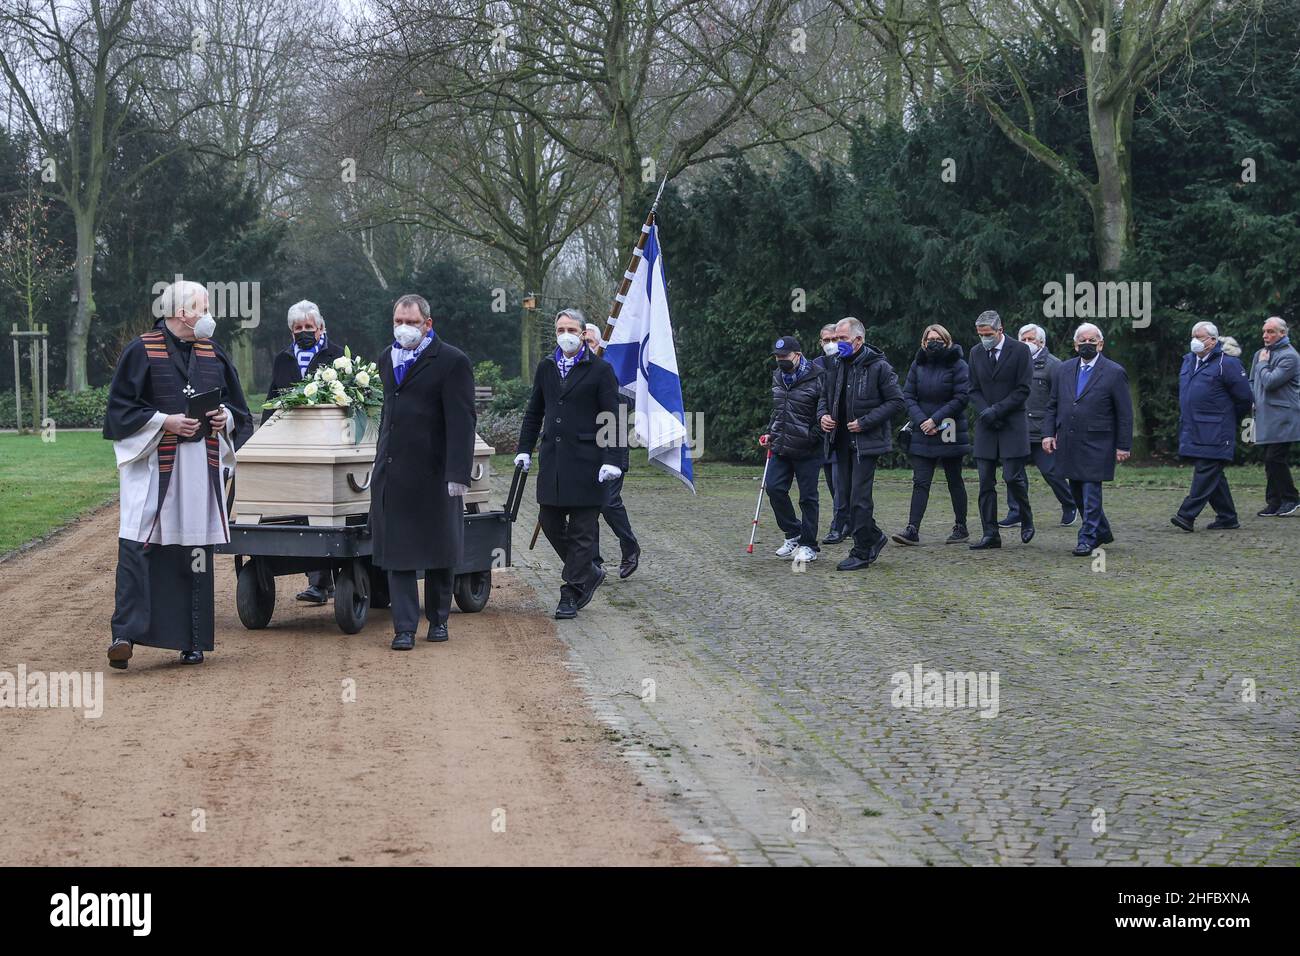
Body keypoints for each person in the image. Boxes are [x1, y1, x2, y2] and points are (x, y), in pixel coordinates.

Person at [103, 279, 254, 669]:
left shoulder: (212, 352)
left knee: (195, 552)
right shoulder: (141, 350)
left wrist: (227, 419)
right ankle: (125, 634)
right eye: (202, 308)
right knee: (139, 544)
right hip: (153, 466)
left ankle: (192, 639)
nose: (208, 316)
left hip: (198, 470)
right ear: (179, 312)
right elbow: (119, 410)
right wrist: (164, 421)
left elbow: (239, 409)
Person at [369, 293, 476, 650]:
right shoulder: (387, 358)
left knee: (438, 547)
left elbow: (462, 421)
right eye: (399, 322)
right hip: (394, 470)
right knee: (397, 550)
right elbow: (389, 414)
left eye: (411, 322)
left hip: (435, 471)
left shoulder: (451, 361)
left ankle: (439, 617)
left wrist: (458, 473)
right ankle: (403, 627)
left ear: (428, 324)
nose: (404, 329)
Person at [515, 309, 621, 618]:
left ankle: (572, 591)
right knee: (549, 522)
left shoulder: (600, 370)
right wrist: (524, 448)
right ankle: (588, 570)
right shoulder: (547, 367)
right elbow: (535, 411)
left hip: (588, 464)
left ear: (584, 333)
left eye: (571, 328)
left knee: (581, 530)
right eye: (560, 328)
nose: (566, 334)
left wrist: (612, 459)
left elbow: (612, 417)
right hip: (553, 462)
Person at [262, 299, 346, 604]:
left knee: (328, 510)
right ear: (291, 331)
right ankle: (318, 581)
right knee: (303, 511)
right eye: (298, 328)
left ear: (321, 327)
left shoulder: (337, 356)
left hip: (329, 444)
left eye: (309, 327)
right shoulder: (283, 359)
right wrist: (263, 437)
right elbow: (273, 397)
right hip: (295, 444)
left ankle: (335, 577)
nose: (304, 332)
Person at [816, 316, 905, 570]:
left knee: (859, 499)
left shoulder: (879, 367)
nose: (837, 343)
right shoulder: (835, 364)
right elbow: (824, 396)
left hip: (866, 443)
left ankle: (861, 551)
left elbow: (896, 402)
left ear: (858, 340)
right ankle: (874, 536)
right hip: (839, 441)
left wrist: (866, 422)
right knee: (844, 499)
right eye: (835, 338)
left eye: (842, 338)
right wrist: (822, 416)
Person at [1041, 324, 1133, 555]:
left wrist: (1123, 445)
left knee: (1092, 490)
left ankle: (1087, 538)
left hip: (1099, 441)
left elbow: (1124, 412)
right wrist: (1048, 433)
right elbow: (1052, 404)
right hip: (1069, 440)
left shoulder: (1114, 372)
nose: (1087, 344)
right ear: (1075, 345)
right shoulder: (1063, 370)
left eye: (1092, 340)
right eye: (1082, 340)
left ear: (1101, 344)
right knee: (1077, 492)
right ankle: (1101, 530)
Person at [1171, 321, 1253, 532]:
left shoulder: (1228, 363)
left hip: (1217, 429)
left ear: (1213, 341)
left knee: (1206, 469)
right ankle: (1228, 517)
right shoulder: (1188, 361)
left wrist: (1227, 418)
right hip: (1193, 427)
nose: (1195, 341)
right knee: (1212, 472)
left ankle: (1186, 515)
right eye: (1193, 336)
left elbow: (1244, 398)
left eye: (1200, 337)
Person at [893, 324, 970, 545]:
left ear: (947, 341)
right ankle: (912, 529)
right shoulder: (918, 365)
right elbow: (908, 396)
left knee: (954, 478)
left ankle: (961, 527)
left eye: (937, 338)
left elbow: (961, 397)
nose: (932, 342)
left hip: (949, 427)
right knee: (920, 481)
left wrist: (936, 420)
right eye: (929, 339)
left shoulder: (958, 365)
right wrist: (922, 421)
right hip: (922, 428)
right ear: (923, 342)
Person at [967, 309, 1034, 549]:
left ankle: (1026, 517)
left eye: (988, 334)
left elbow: (1023, 388)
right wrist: (986, 411)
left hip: (1012, 423)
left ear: (1000, 330)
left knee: (1012, 478)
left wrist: (998, 410)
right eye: (980, 334)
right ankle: (990, 533)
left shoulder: (1020, 351)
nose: (984, 338)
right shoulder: (976, 353)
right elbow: (972, 388)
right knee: (985, 481)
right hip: (987, 424)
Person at [1000, 324, 1077, 528]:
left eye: (1031, 339)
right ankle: (1016, 512)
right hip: (1016, 428)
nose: (1027, 343)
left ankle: (1070, 504)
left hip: (1042, 430)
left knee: (1051, 472)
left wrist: (1055, 430)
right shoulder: (1011, 363)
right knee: (1012, 474)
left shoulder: (1055, 366)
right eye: (1023, 339)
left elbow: (1062, 400)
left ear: (1041, 342)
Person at [583, 321, 641, 578]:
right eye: (584, 342)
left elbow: (627, 401)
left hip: (611, 445)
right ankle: (593, 561)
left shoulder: (611, 369)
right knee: (586, 508)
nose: (587, 347)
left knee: (608, 502)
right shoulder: (570, 371)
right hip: (582, 449)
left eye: (591, 342)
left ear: (601, 345)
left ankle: (629, 546)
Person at [760, 335, 824, 563]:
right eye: (777, 357)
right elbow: (778, 410)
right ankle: (793, 533)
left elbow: (824, 411)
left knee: (807, 498)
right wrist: (770, 432)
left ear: (797, 355)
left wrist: (813, 436)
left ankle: (809, 545)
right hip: (781, 445)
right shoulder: (778, 376)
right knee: (774, 489)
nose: (780, 360)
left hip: (809, 449)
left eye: (784, 356)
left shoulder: (818, 376)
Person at [1249, 316, 1300, 516]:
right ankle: (1274, 502)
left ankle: (1291, 498)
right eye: (1264, 331)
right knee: (1269, 459)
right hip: (1265, 415)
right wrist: (1251, 399)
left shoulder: (1290, 356)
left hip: (1284, 415)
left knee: (1274, 458)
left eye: (1270, 332)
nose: (1265, 335)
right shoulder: (1260, 354)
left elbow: (1270, 381)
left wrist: (1262, 364)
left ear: (1282, 334)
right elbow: (1253, 380)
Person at [811, 322, 848, 542]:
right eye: (826, 340)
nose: (831, 344)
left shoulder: (847, 362)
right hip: (821, 429)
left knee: (840, 480)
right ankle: (847, 520)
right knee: (832, 482)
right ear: (820, 342)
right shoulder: (815, 365)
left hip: (842, 431)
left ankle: (839, 523)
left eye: (835, 339)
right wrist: (820, 416)